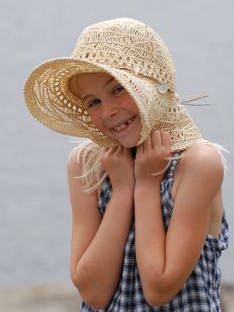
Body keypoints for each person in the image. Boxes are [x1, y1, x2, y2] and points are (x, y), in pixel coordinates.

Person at [24, 18, 229, 311]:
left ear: (151, 84)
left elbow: (159, 288)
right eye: (93, 102)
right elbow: (93, 293)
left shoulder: (198, 164)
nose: (107, 111)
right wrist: (122, 190)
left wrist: (145, 184)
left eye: (118, 89)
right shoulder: (87, 164)